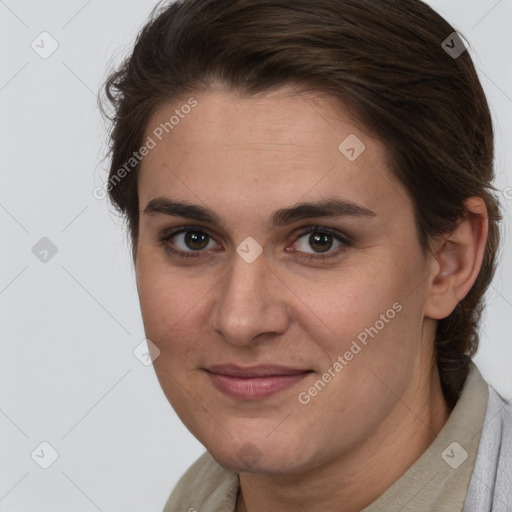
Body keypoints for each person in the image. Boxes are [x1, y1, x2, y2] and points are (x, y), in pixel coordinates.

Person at [100, 0, 512, 510]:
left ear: (448, 262)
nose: (241, 319)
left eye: (320, 240)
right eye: (193, 239)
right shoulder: (195, 498)